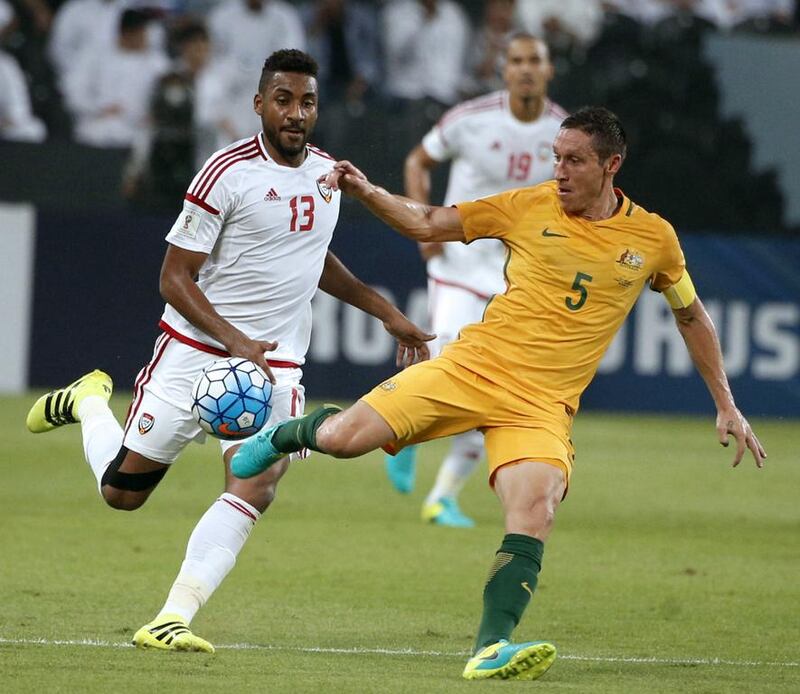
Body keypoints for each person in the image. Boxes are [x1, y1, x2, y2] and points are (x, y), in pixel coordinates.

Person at [230, 106, 767, 681]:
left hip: (541, 405)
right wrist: (366, 191)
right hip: (473, 368)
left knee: (535, 510)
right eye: (556, 158)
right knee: (341, 440)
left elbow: (691, 315)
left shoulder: (654, 238)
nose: (559, 171)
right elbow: (429, 222)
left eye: (574, 161)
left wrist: (726, 404)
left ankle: (491, 647)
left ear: (612, 165)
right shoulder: (526, 205)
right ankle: (286, 433)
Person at [25, 48, 432, 653]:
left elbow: (313, 260)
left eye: (308, 102)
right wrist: (235, 340)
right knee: (121, 495)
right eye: (285, 100)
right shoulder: (224, 172)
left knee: (256, 481)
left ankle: (173, 616)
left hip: (276, 363)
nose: (297, 113)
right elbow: (173, 278)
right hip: (193, 353)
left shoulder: (327, 176)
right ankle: (89, 402)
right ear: (260, 104)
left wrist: (388, 313)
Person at [386, 34, 567, 528]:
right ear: (503, 70)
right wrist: (424, 226)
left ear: (549, 70)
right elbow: (417, 161)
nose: (526, 69)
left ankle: (442, 496)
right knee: (448, 362)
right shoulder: (470, 119)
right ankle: (398, 429)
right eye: (517, 61)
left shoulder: (562, 132)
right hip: (459, 265)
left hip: (518, 277)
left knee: (499, 392)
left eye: (535, 60)